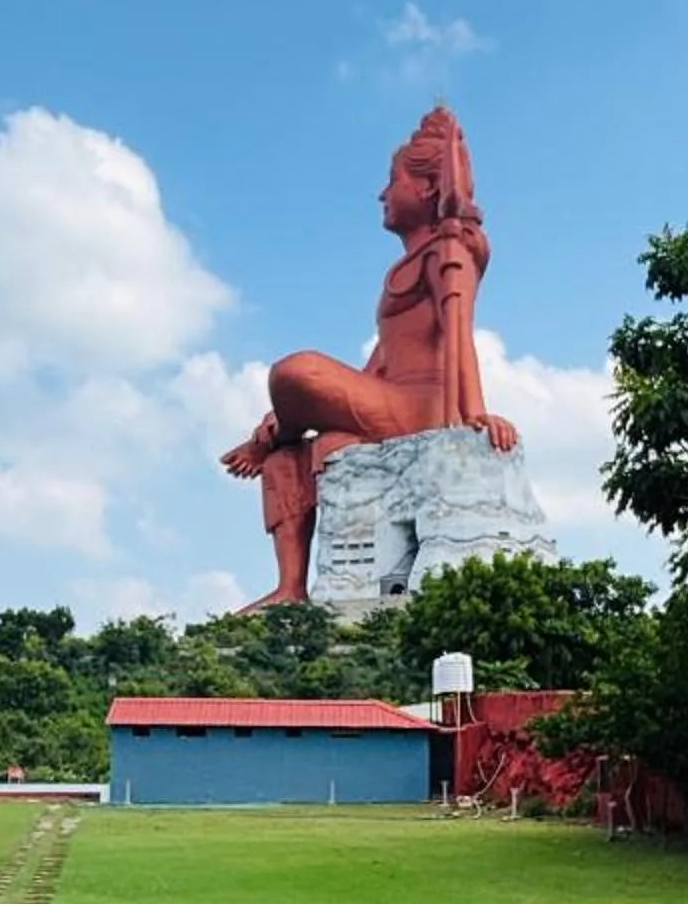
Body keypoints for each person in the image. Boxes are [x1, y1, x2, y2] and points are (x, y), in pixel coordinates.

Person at [221, 107, 519, 604]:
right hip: (388, 404)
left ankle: (275, 431)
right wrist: (282, 421)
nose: (383, 194)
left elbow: (459, 334)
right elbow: (376, 367)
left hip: (420, 409)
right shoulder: (406, 266)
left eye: (392, 181)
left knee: (293, 372)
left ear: (425, 189)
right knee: (289, 456)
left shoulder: (450, 251)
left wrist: (474, 414)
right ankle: (290, 588)